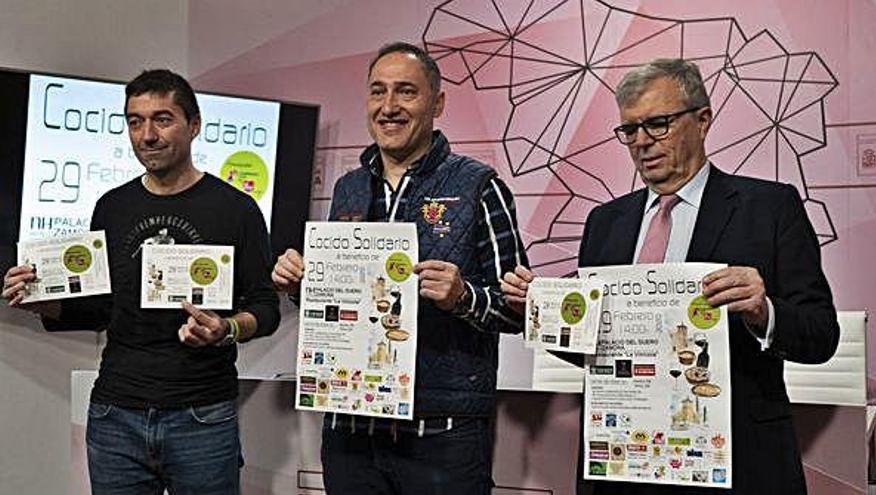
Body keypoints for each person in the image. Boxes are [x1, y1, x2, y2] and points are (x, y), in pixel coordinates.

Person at [501, 58, 839, 495]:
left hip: (734, 462)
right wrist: (544, 314)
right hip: (623, 461)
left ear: (702, 120)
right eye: (630, 130)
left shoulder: (770, 208)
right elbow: (596, 351)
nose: (642, 141)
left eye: (658, 124)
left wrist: (764, 311)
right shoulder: (605, 222)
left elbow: (821, 335)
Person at [2, 69, 280, 494]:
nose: (146, 135)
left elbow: (265, 306)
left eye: (162, 119)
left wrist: (226, 329)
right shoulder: (112, 207)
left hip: (201, 415)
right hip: (116, 414)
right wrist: (41, 301)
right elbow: (100, 308)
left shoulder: (237, 209)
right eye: (135, 121)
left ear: (194, 124)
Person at [272, 41, 527, 495]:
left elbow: (517, 310)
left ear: (438, 103)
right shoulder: (348, 188)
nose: (389, 107)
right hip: (351, 434)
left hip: (442, 437)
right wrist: (301, 284)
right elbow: (343, 303)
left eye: (406, 92)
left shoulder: (479, 187)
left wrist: (463, 296)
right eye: (378, 92)